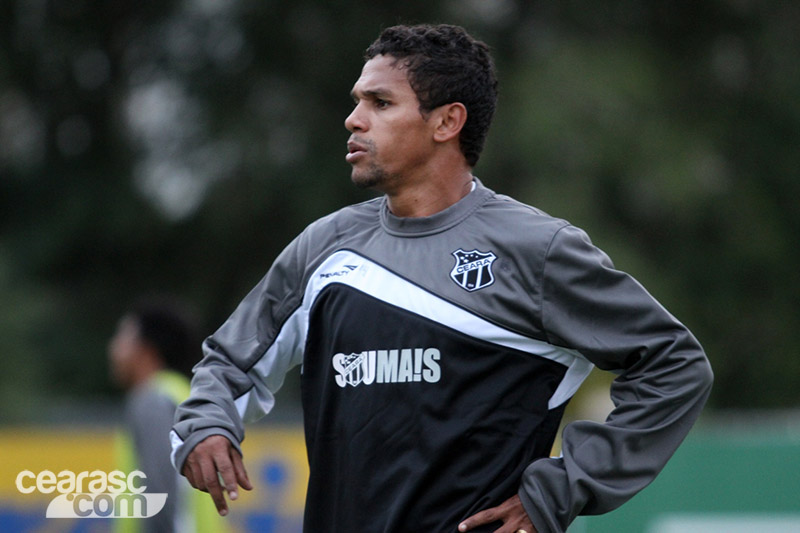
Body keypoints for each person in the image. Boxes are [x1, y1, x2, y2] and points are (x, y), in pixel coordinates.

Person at [169, 24, 713, 533]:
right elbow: (229, 361)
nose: (353, 119)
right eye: (358, 101)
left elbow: (674, 365)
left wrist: (559, 488)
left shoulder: (537, 252)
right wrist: (207, 425)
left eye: (380, 103)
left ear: (446, 122)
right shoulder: (325, 247)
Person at [109, 297, 226, 533]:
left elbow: (157, 496)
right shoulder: (187, 398)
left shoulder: (154, 401)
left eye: (122, 337)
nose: (113, 348)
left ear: (147, 349)